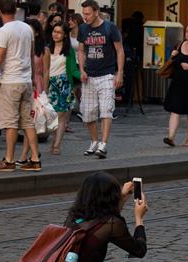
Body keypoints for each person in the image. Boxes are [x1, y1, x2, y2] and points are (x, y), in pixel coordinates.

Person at [0, 0, 42, 172]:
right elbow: (31, 55)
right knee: (27, 122)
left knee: (10, 122)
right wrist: (32, 77)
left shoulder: (4, 31)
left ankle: (9, 160)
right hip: (26, 81)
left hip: (11, 81)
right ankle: (35, 159)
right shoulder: (27, 28)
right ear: (15, 11)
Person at [78, 0, 124, 159]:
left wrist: (119, 73)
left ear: (96, 12)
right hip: (89, 75)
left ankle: (103, 144)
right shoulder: (83, 28)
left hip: (107, 74)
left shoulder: (110, 27)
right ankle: (94, 141)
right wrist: (81, 70)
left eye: (88, 14)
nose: (85, 17)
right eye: (84, 14)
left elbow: (119, 50)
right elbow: (81, 50)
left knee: (106, 109)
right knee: (88, 112)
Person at [44, 21, 78, 154]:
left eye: (59, 32)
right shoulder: (46, 48)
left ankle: (56, 144)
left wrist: (84, 76)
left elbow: (73, 69)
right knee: (48, 115)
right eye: (54, 31)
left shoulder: (69, 51)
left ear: (65, 35)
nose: (56, 34)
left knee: (61, 116)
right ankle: (52, 139)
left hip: (63, 84)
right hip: (48, 83)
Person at [16, 18, 47, 167]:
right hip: (23, 83)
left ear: (36, 32)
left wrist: (44, 93)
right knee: (26, 122)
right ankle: (32, 153)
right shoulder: (22, 46)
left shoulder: (44, 50)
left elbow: (46, 72)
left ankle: (25, 155)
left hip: (36, 86)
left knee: (30, 122)